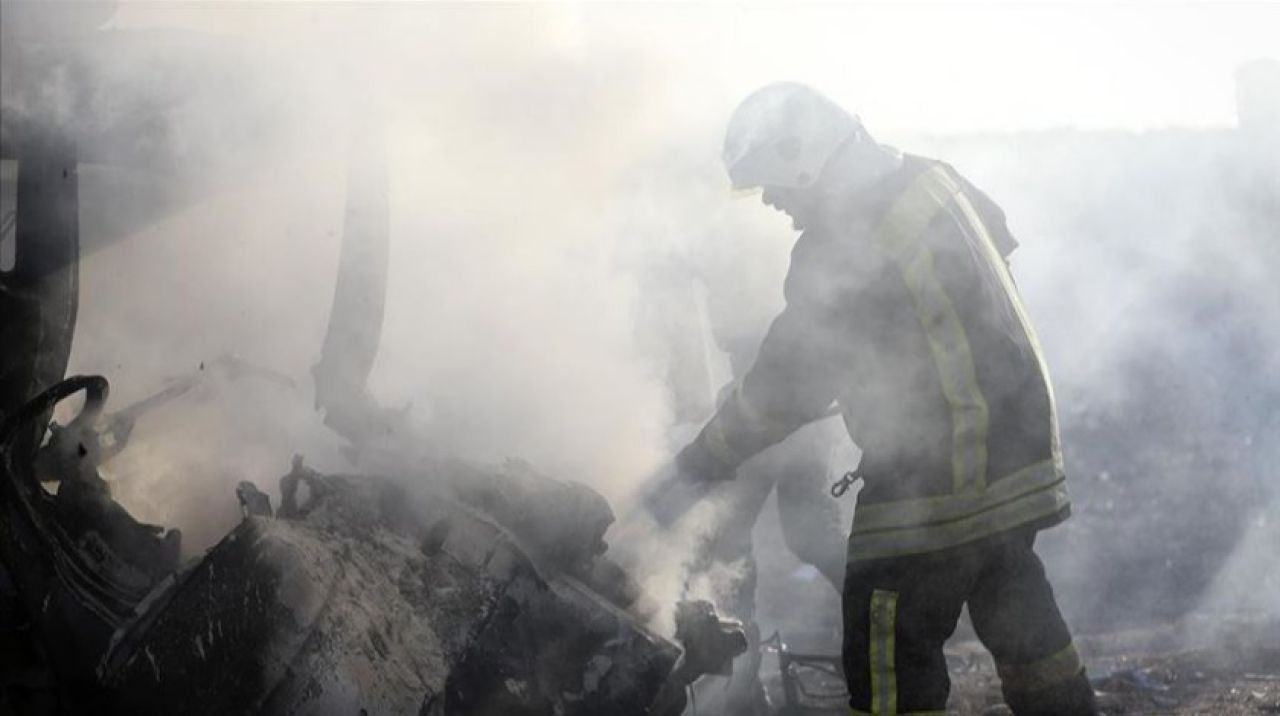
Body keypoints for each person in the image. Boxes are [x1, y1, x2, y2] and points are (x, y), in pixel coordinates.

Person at [645, 83, 1098, 715]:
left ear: (804, 157)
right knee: (1027, 631)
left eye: (775, 184)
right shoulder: (936, 180)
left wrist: (695, 465)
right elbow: (991, 258)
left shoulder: (841, 244)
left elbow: (785, 386)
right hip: (1016, 459)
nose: (773, 201)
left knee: (886, 659)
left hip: (935, 483)